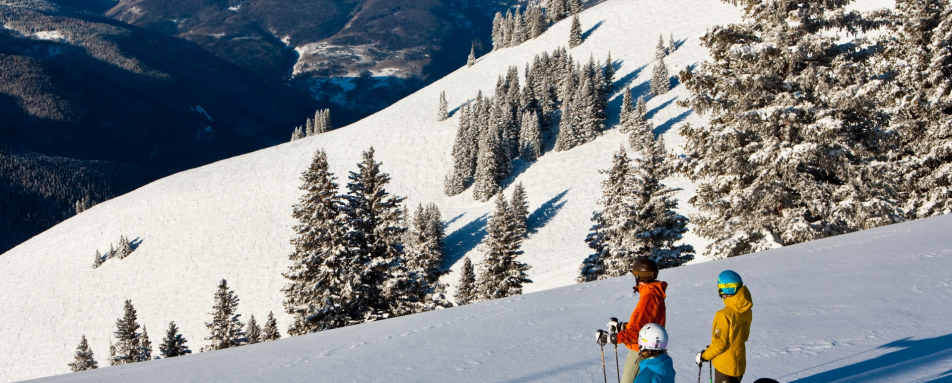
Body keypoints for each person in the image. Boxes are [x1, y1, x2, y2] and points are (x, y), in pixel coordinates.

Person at [615, 257, 668, 383]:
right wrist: (624, 327)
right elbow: (647, 323)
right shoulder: (653, 293)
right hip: (651, 348)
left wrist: (614, 338)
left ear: (639, 276)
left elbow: (637, 333)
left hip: (641, 350)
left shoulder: (649, 297)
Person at [696, 270, 753, 383]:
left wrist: (704, 356)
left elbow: (720, 344)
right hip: (740, 364)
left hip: (725, 368)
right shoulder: (746, 309)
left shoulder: (724, 315)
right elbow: (744, 336)